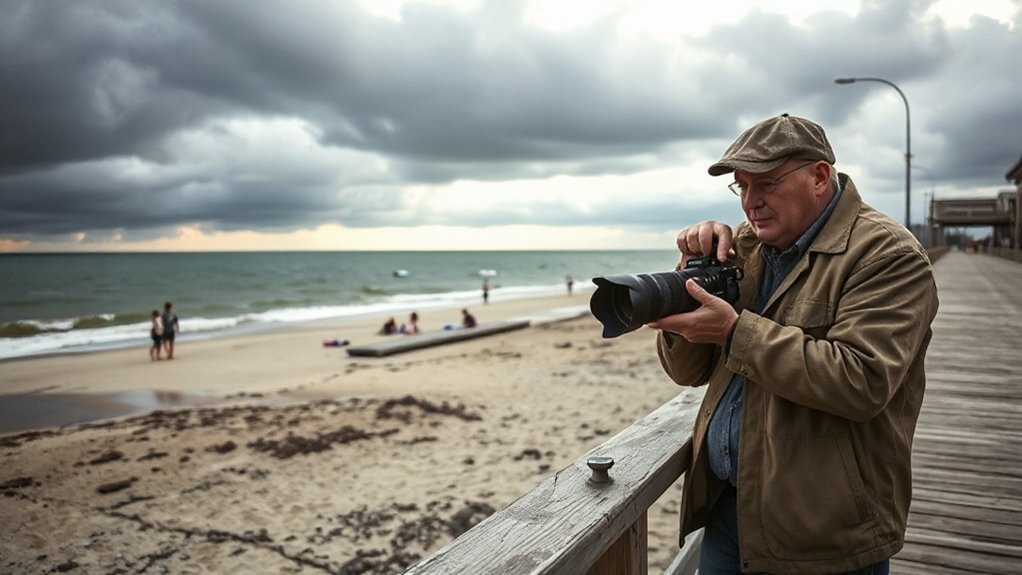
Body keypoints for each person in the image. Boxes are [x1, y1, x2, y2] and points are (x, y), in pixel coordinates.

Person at [649, 114, 938, 574]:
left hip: (825, 533)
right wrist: (689, 283)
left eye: (765, 184)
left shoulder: (888, 255)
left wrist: (733, 330)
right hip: (731, 511)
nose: (750, 203)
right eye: (741, 187)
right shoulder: (747, 247)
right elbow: (689, 373)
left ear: (819, 176)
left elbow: (861, 381)